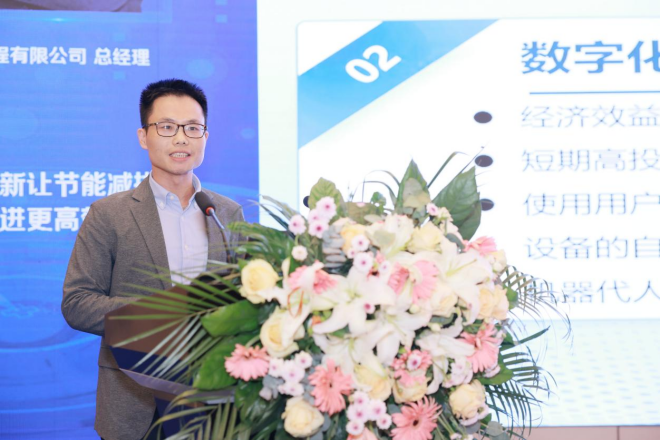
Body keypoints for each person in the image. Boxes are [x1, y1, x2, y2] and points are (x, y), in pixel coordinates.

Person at [61, 79, 244, 440]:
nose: (181, 139)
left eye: (193, 128)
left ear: (206, 136)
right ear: (144, 136)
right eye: (167, 127)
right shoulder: (109, 214)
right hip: (135, 403)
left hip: (215, 402)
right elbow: (77, 302)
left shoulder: (225, 213)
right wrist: (164, 314)